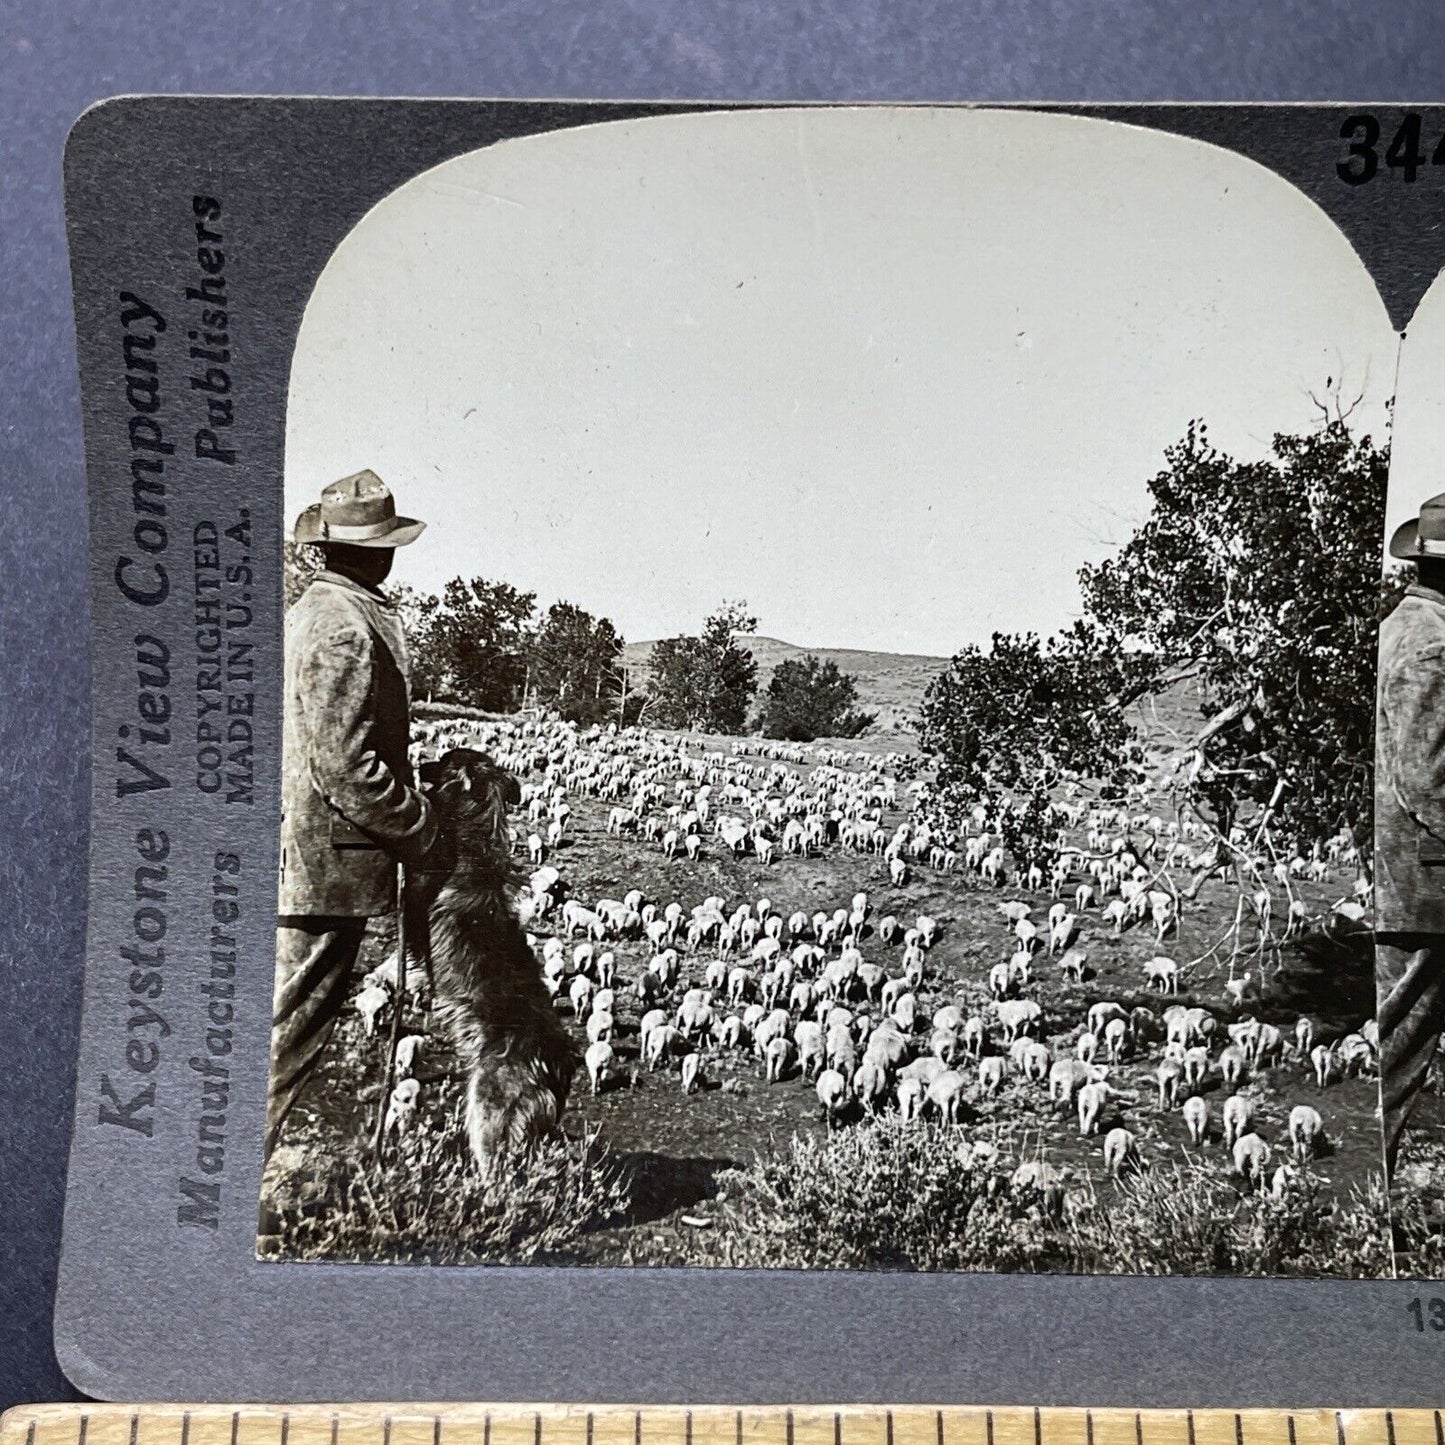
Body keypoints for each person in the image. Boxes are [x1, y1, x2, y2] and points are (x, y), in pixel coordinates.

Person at [267, 469, 439, 1159]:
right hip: (325, 864)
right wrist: (419, 827)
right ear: (379, 551)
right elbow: (345, 764)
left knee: (286, 1025)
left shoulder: (324, 607)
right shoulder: (342, 623)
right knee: (287, 1034)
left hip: (313, 858)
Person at [1377, 489, 1445, 1174]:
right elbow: (1425, 781)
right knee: (1395, 1062)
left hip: (1411, 885)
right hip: (1427, 891)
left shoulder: (1402, 625)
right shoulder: (1431, 645)